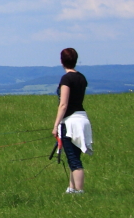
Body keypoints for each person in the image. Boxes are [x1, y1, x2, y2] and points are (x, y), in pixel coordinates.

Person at [52, 47, 93, 195]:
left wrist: (56, 125)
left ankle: (80, 191)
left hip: (71, 122)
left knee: (75, 161)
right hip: (83, 118)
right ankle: (72, 188)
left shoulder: (66, 79)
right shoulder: (81, 77)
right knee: (73, 156)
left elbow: (63, 104)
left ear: (62, 61)